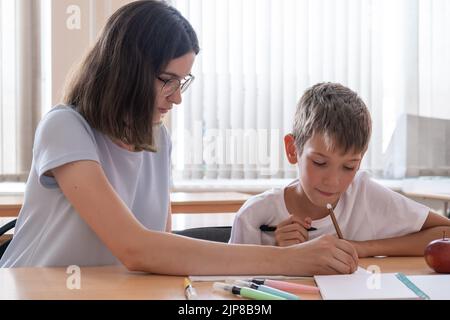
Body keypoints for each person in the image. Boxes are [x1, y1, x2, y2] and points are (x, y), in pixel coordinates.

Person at [0, 1, 358, 276]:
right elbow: (136, 248)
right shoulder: (65, 127)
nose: (177, 97)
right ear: (126, 71)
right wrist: (287, 260)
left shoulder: (157, 140)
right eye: (166, 80)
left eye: (182, 81)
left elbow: (160, 249)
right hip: (32, 290)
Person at [229, 82, 450, 257]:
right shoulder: (253, 216)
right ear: (292, 150)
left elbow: (446, 233)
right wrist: (279, 254)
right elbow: (231, 286)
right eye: (319, 163)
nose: (333, 181)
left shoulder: (364, 195)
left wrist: (359, 248)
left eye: (349, 166)